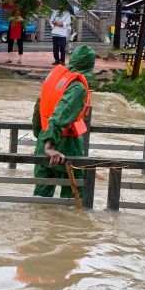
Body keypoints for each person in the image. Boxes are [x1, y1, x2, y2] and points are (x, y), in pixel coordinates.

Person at [32, 44, 95, 197]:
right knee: (74, 196)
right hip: (64, 147)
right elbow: (60, 116)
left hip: (43, 141)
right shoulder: (77, 88)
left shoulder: (55, 79)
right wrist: (49, 146)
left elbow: (38, 109)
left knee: (41, 197)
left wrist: (41, 139)